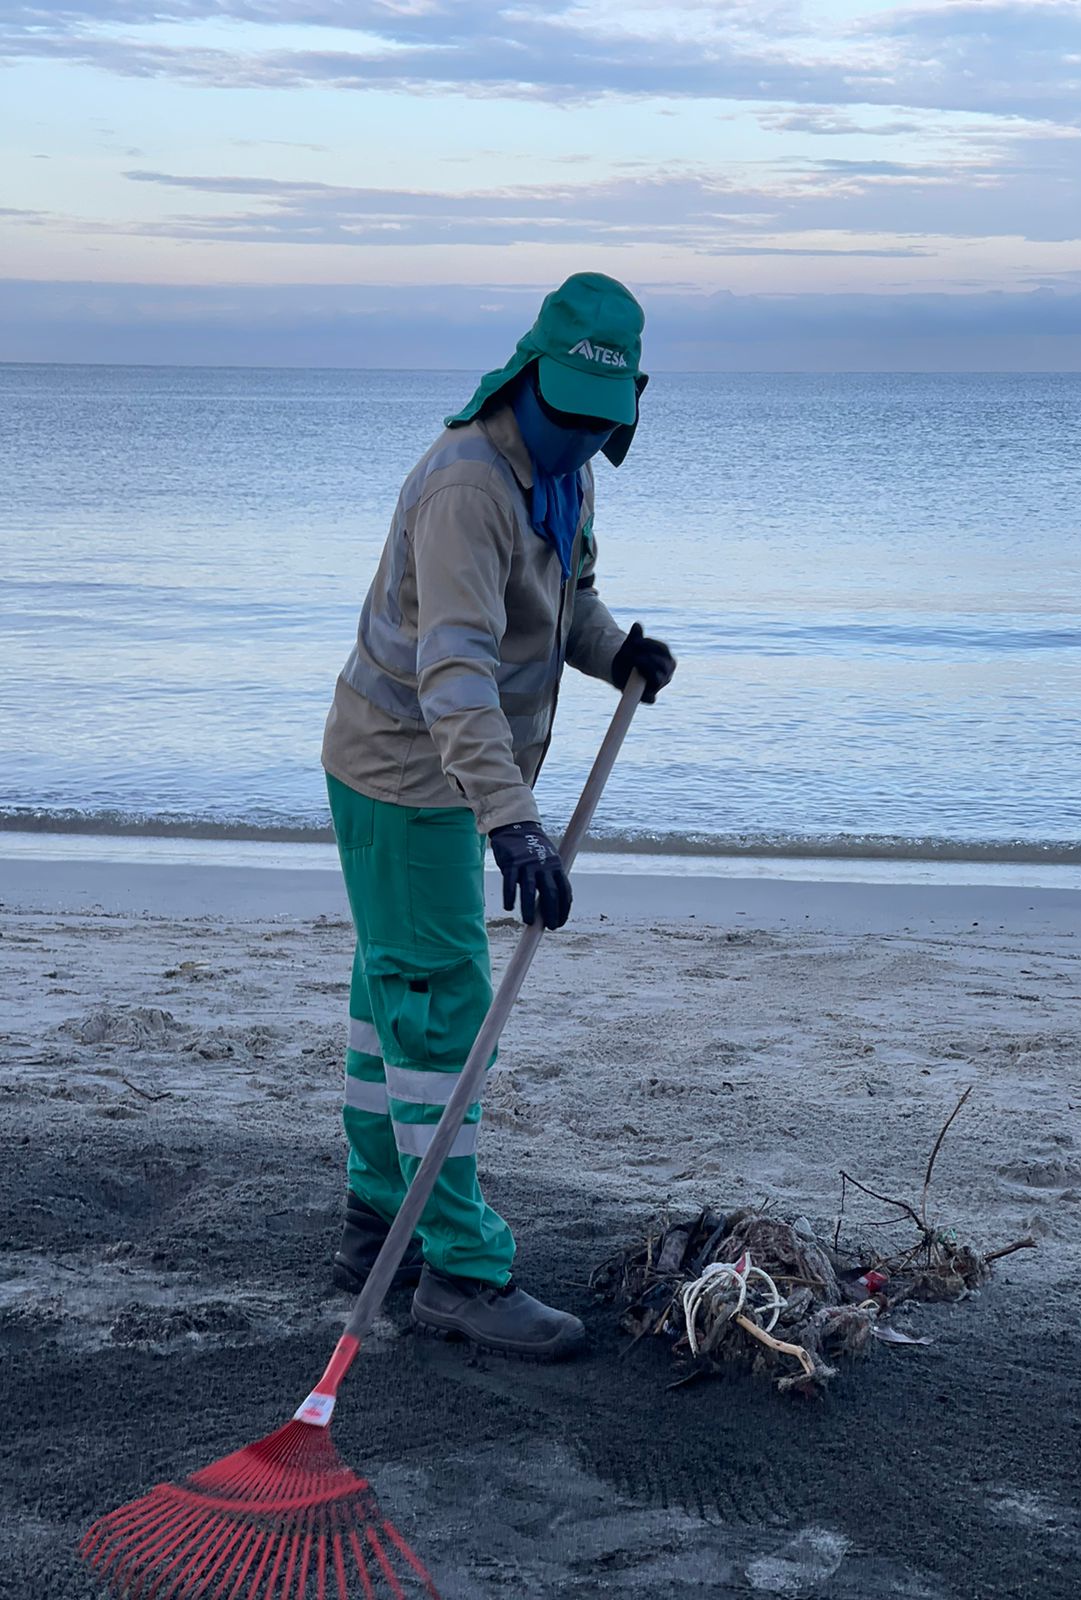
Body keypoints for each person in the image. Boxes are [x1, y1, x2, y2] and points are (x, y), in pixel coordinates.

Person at [321, 273, 675, 1360]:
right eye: (564, 410)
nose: (576, 435)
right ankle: (463, 1273)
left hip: (441, 778)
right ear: (528, 375)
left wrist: (613, 649)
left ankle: (380, 1212)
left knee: (395, 996)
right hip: (406, 775)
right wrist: (514, 824)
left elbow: (562, 605)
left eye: (598, 422)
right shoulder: (468, 486)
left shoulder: (562, 479)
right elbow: (456, 672)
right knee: (441, 1012)